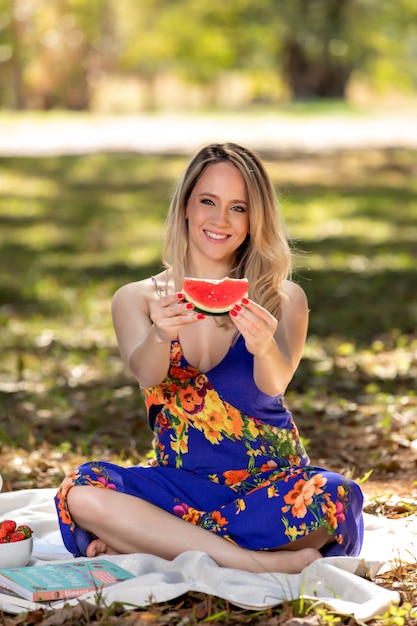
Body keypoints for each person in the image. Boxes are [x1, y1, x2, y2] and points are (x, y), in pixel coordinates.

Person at [55, 142, 364, 574]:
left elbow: (275, 384)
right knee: (80, 491)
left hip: (270, 483)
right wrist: (161, 333)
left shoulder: (283, 297)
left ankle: (156, 541)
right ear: (185, 206)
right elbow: (146, 372)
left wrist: (262, 346)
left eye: (239, 207)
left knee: (337, 496)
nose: (220, 220)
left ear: (255, 220)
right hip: (180, 483)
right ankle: (256, 562)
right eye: (208, 202)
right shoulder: (137, 299)